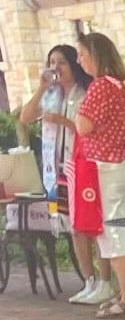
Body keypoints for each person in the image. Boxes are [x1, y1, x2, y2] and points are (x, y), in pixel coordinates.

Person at [18, 44, 107, 304]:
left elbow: (95, 130)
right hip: (57, 168)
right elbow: (25, 117)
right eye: (52, 62)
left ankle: (106, 281)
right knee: (75, 227)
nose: (56, 67)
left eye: (62, 62)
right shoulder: (51, 94)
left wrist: (64, 122)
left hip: (83, 165)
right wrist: (42, 87)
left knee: (93, 225)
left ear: (74, 65)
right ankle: (88, 281)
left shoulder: (87, 91)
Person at [73, 33, 125, 318]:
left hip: (105, 168)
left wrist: (78, 113)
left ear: (95, 55)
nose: (79, 60)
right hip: (117, 164)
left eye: (82, 54)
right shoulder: (116, 85)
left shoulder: (100, 87)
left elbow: (83, 126)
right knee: (116, 229)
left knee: (113, 230)